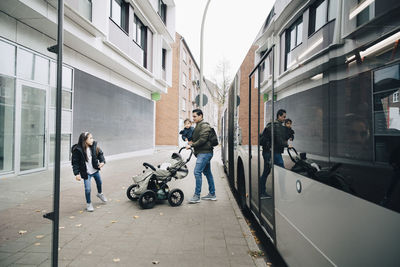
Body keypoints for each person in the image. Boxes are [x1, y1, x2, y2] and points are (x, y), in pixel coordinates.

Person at [186, 109, 216, 203]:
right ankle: (212, 194)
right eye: (193, 116)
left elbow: (203, 139)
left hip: (205, 153)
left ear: (201, 116)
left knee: (197, 172)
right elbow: (199, 138)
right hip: (203, 153)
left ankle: (197, 196)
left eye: (195, 116)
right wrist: (191, 142)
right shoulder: (198, 125)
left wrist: (192, 145)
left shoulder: (204, 126)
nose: (193, 118)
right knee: (207, 173)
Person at [71, 132, 107, 212]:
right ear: (85, 140)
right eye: (90, 138)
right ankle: (88, 203)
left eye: (92, 138)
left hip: (95, 170)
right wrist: (76, 174)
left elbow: (100, 154)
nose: (92, 139)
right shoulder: (77, 150)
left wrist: (102, 162)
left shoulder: (94, 146)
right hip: (86, 173)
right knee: (87, 189)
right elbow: (75, 163)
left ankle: (100, 194)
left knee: (99, 182)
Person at [259, 109, 288, 199]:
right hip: (272, 152)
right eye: (283, 117)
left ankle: (263, 192)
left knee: (267, 171)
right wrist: (287, 145)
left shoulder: (272, 125)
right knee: (281, 172)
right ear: (279, 116)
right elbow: (279, 140)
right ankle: (282, 193)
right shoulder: (276, 126)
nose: (284, 119)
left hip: (269, 152)